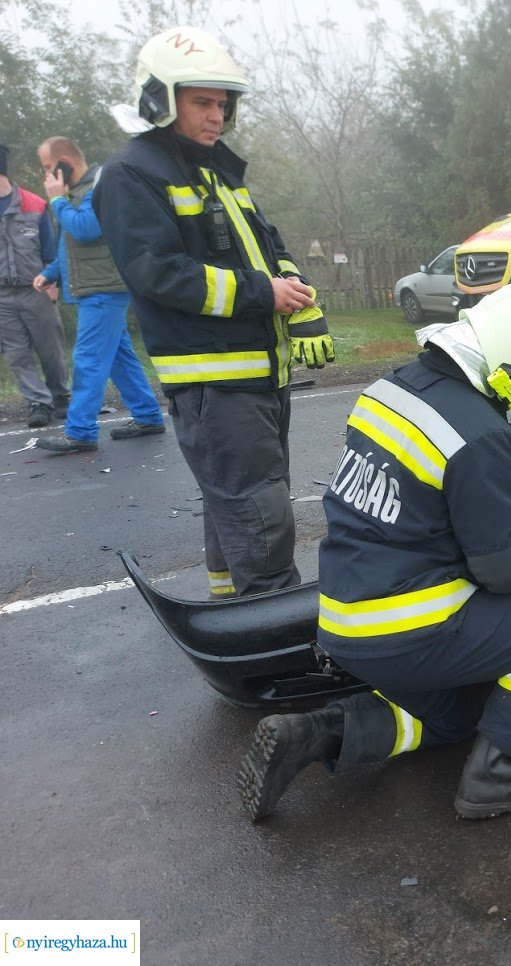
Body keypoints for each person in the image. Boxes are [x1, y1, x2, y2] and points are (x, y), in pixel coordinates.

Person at [236, 284, 511, 823]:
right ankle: (498, 775)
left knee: (456, 718)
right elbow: (507, 570)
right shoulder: (478, 433)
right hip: (408, 627)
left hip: (343, 620)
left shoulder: (390, 389)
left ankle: (317, 732)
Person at [94, 26, 334, 598]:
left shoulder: (214, 169)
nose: (216, 116)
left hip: (256, 370)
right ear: (159, 100)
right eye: (202, 102)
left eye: (222, 104)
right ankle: (272, 623)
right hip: (215, 379)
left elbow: (267, 243)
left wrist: (295, 291)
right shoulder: (133, 173)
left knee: (239, 499)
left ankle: (233, 606)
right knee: (260, 511)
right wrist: (262, 293)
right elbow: (156, 271)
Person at [32, 137, 166, 454]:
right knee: (120, 358)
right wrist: (51, 272)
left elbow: (87, 229)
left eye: (49, 168)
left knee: (88, 359)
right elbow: (71, 243)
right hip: (96, 288)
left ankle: (80, 431)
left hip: (105, 288)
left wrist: (57, 201)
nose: (47, 176)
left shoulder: (100, 187)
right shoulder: (75, 193)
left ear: (65, 162)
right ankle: (148, 416)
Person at [0, 142, 71, 428]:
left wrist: (54, 283)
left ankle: (61, 396)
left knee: (50, 348)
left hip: (38, 289)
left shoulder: (33, 203)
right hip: (3, 296)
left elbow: (51, 248)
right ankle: (38, 403)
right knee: (17, 354)